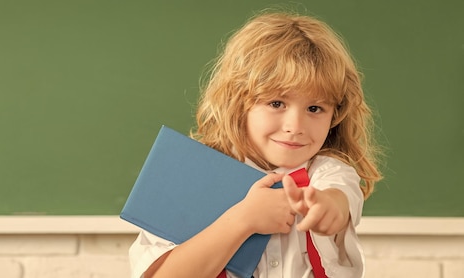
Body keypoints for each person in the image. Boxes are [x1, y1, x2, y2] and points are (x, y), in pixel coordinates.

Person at [128, 10, 383, 278]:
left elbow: (338, 200)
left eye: (315, 108)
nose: (295, 126)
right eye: (276, 103)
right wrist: (243, 220)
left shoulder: (328, 173)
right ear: (238, 102)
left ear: (335, 114)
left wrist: (325, 208)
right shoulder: (191, 177)